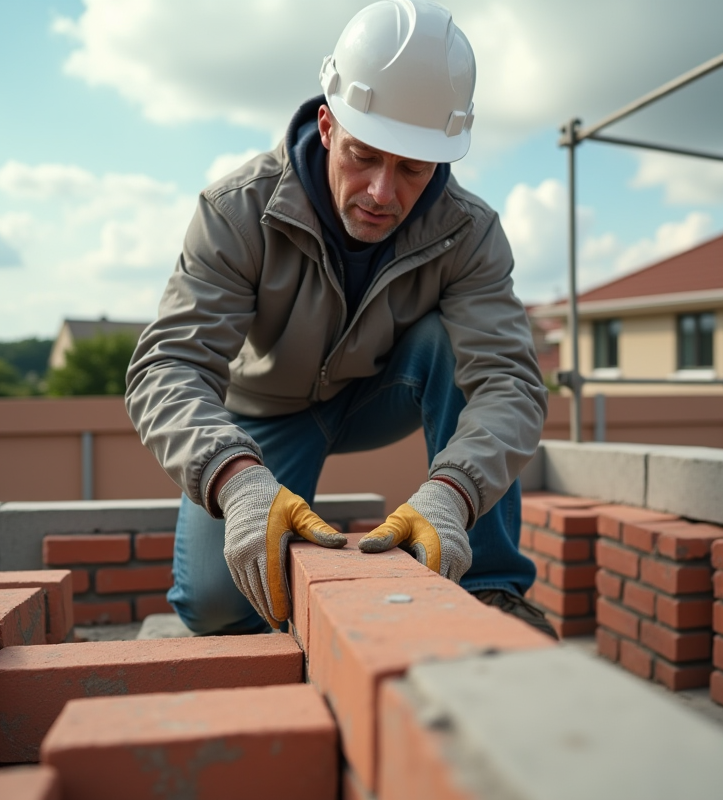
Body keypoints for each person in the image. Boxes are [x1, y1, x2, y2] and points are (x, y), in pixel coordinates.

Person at [125, 0, 551, 638]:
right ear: (327, 126)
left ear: (443, 157)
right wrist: (236, 480)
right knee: (215, 607)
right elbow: (168, 366)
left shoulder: (470, 233)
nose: (383, 192)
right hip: (266, 414)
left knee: (447, 345)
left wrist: (454, 494)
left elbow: (509, 384)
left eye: (411, 168)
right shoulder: (237, 210)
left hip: (383, 396)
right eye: (364, 156)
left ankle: (491, 588)